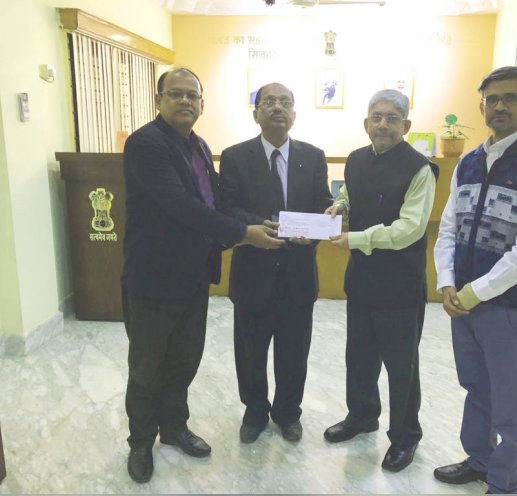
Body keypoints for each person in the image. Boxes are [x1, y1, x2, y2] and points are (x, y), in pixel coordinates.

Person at [120, 68, 284, 484]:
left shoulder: (198, 145)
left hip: (193, 278)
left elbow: (213, 201)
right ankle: (141, 441)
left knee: (183, 361)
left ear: (202, 104)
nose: (185, 102)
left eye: (193, 96)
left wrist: (250, 222)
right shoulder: (146, 144)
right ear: (158, 100)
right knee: (146, 366)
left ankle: (174, 428)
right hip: (153, 280)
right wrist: (242, 233)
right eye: (175, 94)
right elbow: (179, 205)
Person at [431, 66, 517, 494]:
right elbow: (449, 227)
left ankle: (503, 481)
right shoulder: (468, 162)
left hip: (504, 308)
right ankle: (478, 459)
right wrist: (447, 282)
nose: (501, 106)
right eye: (493, 99)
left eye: (510, 98)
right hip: (462, 304)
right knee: (476, 387)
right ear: (482, 106)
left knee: (509, 400)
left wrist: (475, 293)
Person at [322, 89, 438, 472]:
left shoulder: (420, 168)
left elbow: (410, 228)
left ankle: (405, 437)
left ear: (405, 125)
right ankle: (362, 416)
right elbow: (353, 195)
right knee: (359, 356)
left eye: (392, 118)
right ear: (366, 122)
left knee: (401, 365)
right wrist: (342, 205)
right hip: (361, 281)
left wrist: (356, 239)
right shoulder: (355, 160)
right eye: (377, 117)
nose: (383, 124)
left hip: (401, 286)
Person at [218, 83, 333, 444]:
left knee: (294, 352)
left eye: (286, 102)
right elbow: (226, 208)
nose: (278, 108)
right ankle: (254, 412)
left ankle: (287, 413)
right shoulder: (235, 156)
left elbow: (322, 203)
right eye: (269, 103)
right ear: (256, 114)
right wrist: (253, 226)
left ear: (294, 115)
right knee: (250, 352)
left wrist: (316, 229)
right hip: (253, 272)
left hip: (298, 273)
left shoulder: (313, 156)